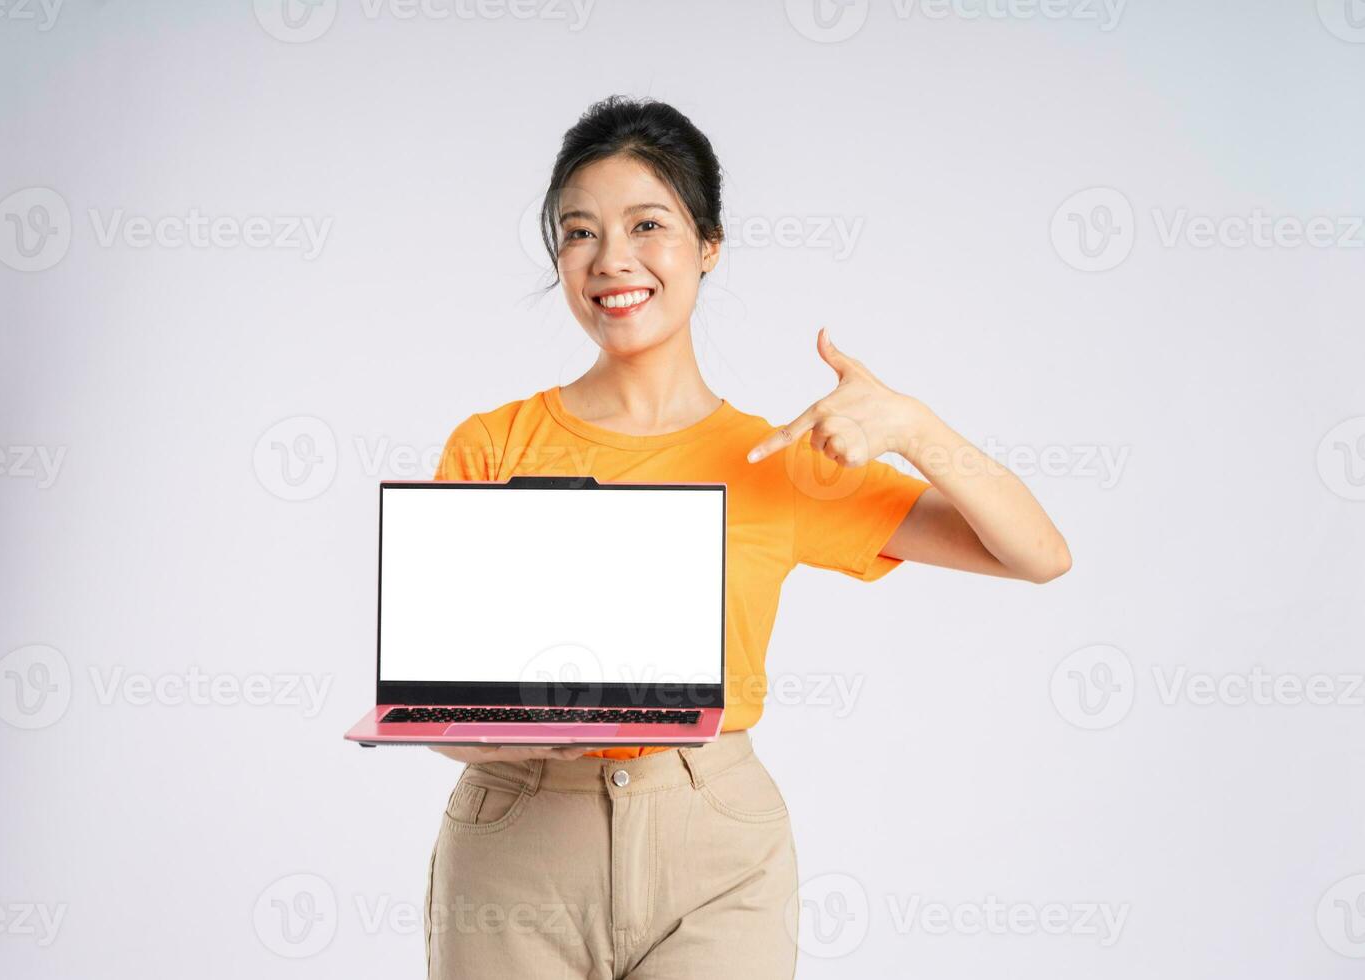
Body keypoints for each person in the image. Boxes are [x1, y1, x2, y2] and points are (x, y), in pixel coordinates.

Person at [422, 94, 1071, 979]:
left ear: (707, 245)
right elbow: (435, 709)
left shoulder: (777, 459)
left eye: (647, 224)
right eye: (579, 232)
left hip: (715, 850)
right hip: (518, 839)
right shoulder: (492, 447)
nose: (612, 260)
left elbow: (1036, 554)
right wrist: (518, 738)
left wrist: (915, 427)